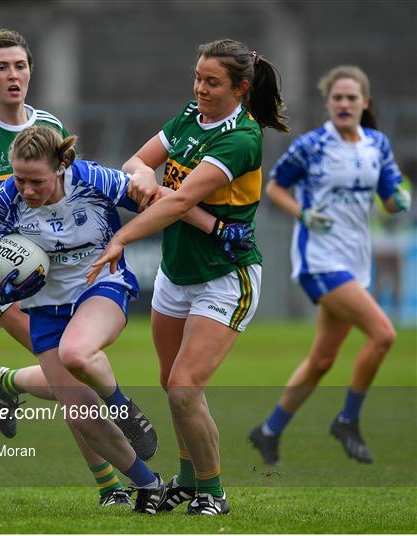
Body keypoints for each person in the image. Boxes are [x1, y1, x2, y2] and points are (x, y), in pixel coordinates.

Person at [0, 28, 136, 506]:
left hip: (62, 275)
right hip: (8, 281)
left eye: (20, 65)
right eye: (2, 67)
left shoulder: (50, 126)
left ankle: (6, 380)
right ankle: (110, 487)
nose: (13, 75)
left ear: (30, 72)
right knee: (70, 381)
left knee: (68, 374)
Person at [88, 39, 289, 515]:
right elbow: (136, 163)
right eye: (198, 77)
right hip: (177, 273)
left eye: (212, 82)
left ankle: (212, 493)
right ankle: (184, 478)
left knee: (184, 388)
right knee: (170, 384)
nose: (200, 88)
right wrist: (150, 181)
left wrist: (122, 238)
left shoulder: (241, 138)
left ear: (240, 89)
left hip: (226, 276)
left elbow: (177, 201)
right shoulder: (187, 118)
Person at [0, 124, 169, 513]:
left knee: (77, 353)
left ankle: (123, 407)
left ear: (61, 166)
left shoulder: (92, 179)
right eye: (19, 179)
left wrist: (210, 222)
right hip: (44, 307)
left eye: (35, 181)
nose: (26, 189)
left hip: (101, 286)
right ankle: (149, 485)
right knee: (79, 414)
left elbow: (158, 200)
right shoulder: (8, 196)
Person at [248, 65, 411, 466]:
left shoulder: (377, 145)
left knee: (322, 360)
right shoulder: (311, 145)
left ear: (364, 103)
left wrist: (399, 203)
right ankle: (347, 420)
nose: (343, 104)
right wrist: (302, 214)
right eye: (337, 97)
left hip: (355, 262)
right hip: (319, 260)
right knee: (384, 334)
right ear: (328, 103)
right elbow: (275, 186)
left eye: (351, 98)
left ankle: (268, 430)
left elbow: (390, 198)